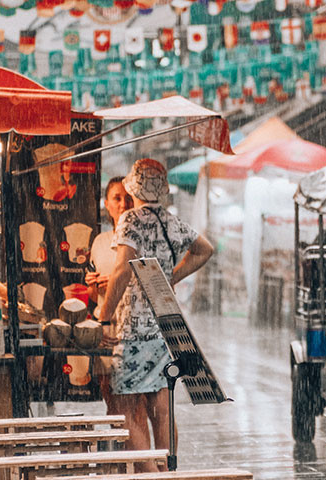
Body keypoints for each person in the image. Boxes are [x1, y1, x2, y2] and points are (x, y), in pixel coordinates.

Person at [98, 159, 214, 472]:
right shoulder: (171, 220)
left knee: (127, 410)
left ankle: (150, 476)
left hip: (134, 329)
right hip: (165, 326)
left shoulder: (130, 219)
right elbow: (204, 249)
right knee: (162, 409)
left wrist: (105, 316)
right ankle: (166, 471)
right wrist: (171, 277)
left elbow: (122, 269)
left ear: (132, 189)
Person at [85, 177, 133, 416]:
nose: (123, 204)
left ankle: (134, 449)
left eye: (128, 198)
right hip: (104, 329)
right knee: (110, 399)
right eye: (117, 198)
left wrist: (118, 284)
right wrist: (94, 286)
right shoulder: (100, 241)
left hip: (129, 329)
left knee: (134, 404)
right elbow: (94, 297)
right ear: (106, 204)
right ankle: (118, 446)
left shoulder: (137, 240)